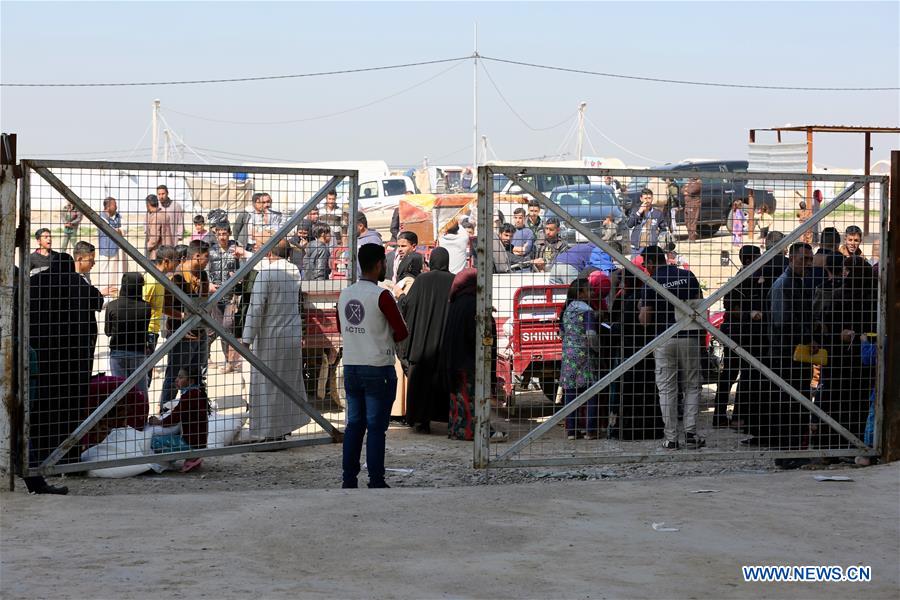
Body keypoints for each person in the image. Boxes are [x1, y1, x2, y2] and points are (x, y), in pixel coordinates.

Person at [338, 243, 409, 488]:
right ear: (380, 264)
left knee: (354, 424)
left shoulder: (345, 294)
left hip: (351, 366)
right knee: (376, 427)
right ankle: (376, 479)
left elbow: (342, 329)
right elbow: (401, 331)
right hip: (378, 366)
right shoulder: (382, 296)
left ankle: (349, 479)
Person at [29, 253, 103, 464]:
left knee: (41, 405)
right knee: (70, 406)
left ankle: (39, 455)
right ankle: (68, 456)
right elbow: (99, 301)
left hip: (41, 358)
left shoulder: (35, 283)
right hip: (74, 360)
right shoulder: (78, 283)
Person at [241, 238, 309, 441]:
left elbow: (256, 308)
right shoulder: (294, 271)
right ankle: (284, 427)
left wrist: (246, 339)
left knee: (267, 386)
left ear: (269, 253)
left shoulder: (266, 274)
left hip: (271, 337)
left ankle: (269, 432)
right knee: (287, 384)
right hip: (291, 334)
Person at [639, 245, 705, 450]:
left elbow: (645, 319)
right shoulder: (688, 276)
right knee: (692, 386)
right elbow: (700, 306)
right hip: (689, 337)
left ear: (650, 263)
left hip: (664, 339)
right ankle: (691, 433)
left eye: (645, 265)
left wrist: (642, 310)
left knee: (667, 389)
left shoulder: (651, 282)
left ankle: (671, 438)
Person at [815, 256, 877, 449]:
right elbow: (826, 327)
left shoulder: (874, 298)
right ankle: (834, 445)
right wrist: (839, 335)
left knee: (857, 402)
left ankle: (855, 444)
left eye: (849, 271)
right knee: (838, 401)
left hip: (862, 360)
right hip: (842, 360)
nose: (845, 274)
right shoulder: (840, 296)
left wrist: (859, 336)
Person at [399, 247, 455, 433]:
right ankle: (447, 420)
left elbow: (409, 305)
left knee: (421, 384)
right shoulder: (454, 281)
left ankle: (421, 422)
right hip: (445, 345)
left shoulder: (422, 280)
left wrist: (401, 298)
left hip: (422, 345)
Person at [767, 242, 815, 459]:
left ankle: (795, 448)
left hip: (797, 353)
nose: (807, 264)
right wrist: (807, 336)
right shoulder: (784, 284)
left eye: (809, 259)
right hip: (785, 354)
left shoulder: (797, 283)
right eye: (803, 259)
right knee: (787, 404)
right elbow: (782, 322)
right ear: (791, 259)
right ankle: (787, 451)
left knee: (797, 402)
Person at [160, 240, 211, 408]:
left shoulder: (203, 275)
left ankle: (194, 408)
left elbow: (203, 302)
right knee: (175, 375)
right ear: (196, 256)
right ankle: (165, 410)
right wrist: (183, 318)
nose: (208, 261)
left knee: (198, 374)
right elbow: (165, 307)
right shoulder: (176, 277)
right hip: (180, 334)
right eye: (206, 257)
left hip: (199, 333)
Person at [442, 268, 483, 441]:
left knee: (457, 397)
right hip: (467, 359)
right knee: (469, 396)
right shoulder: (473, 303)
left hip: (453, 358)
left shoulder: (456, 301)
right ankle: (468, 431)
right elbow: (473, 334)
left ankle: (456, 429)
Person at [560, 278, 601, 440]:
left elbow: (562, 333)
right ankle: (590, 430)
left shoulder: (567, 310)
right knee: (591, 391)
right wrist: (597, 349)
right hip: (585, 355)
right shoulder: (586, 310)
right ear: (580, 293)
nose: (592, 293)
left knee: (570, 391)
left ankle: (571, 430)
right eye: (589, 290)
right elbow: (591, 334)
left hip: (568, 355)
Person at [150, 368, 209, 472]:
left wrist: (159, 422)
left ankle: (190, 457)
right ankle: (192, 456)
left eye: (181, 377)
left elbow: (175, 417)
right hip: (199, 442)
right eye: (177, 377)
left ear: (190, 381)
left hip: (191, 443)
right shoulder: (197, 392)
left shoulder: (189, 396)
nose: (176, 380)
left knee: (154, 441)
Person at [105, 272, 152, 399]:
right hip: (138, 352)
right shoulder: (146, 307)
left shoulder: (112, 305)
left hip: (118, 353)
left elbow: (108, 332)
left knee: (121, 392)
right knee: (141, 391)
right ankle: (142, 416)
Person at [207, 222, 245, 374]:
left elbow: (244, 266)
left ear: (229, 233)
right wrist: (209, 284)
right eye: (219, 234)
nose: (222, 237)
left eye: (224, 234)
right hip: (215, 296)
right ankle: (223, 360)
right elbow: (205, 269)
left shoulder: (236, 249)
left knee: (227, 325)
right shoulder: (211, 250)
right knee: (218, 329)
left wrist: (238, 276)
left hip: (232, 295)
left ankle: (231, 361)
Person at [97, 196, 128, 295]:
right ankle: (105, 291)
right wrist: (118, 230)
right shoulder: (101, 217)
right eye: (114, 205)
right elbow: (108, 229)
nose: (117, 207)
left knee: (117, 270)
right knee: (105, 271)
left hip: (117, 249)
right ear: (108, 207)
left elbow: (125, 228)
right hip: (105, 249)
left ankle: (116, 290)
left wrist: (119, 230)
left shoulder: (119, 217)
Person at [625, 188, 668, 256]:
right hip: (636, 248)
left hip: (651, 248)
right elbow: (629, 224)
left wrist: (659, 237)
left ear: (652, 199)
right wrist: (639, 212)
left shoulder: (657, 213)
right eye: (645, 198)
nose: (647, 200)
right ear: (641, 199)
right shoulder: (635, 210)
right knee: (634, 266)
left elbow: (663, 229)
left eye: (649, 198)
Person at [385, 231, 424, 298]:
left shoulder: (417, 261)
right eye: (398, 246)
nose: (399, 249)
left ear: (413, 247)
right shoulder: (390, 259)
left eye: (403, 246)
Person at [144, 194, 175, 258]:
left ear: (148, 204)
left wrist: (148, 246)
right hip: (168, 249)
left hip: (159, 252)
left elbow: (154, 238)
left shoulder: (156, 217)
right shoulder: (164, 214)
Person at [682, 176, 702, 241]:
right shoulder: (689, 181)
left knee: (692, 221)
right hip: (687, 204)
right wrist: (686, 189)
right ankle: (690, 236)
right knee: (687, 221)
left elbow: (692, 191)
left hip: (694, 204)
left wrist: (687, 189)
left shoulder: (698, 182)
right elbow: (682, 190)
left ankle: (692, 238)